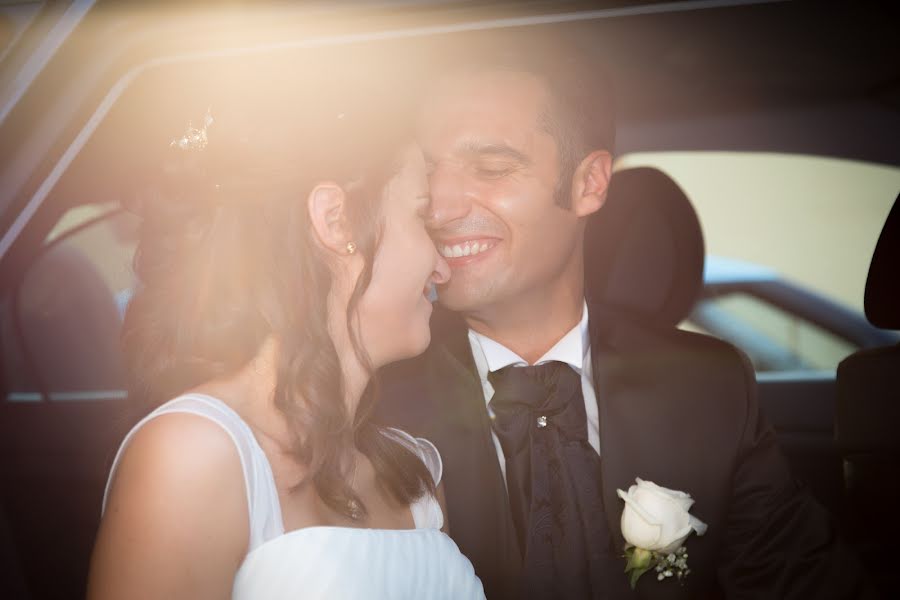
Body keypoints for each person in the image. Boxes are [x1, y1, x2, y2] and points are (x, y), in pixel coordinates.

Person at [376, 33, 876, 599]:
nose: (440, 208)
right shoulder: (373, 399)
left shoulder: (708, 388)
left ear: (588, 184)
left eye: (491, 168)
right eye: (428, 173)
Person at [87, 78, 485, 599]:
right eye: (419, 215)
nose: (440, 268)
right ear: (334, 220)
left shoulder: (411, 475)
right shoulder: (194, 457)